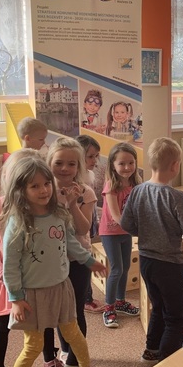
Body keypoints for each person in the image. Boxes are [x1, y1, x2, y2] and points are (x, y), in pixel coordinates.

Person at [0, 154, 107, 367]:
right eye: (34, 186)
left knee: (73, 334)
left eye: (46, 183)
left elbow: (70, 242)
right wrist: (15, 298)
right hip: (32, 296)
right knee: (32, 347)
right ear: (21, 190)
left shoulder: (58, 214)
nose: (44, 190)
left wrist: (89, 261)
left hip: (61, 287)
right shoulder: (18, 222)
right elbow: (9, 265)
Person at [0, 149, 65, 367]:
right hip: (6, 280)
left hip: (36, 278)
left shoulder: (39, 207)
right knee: (2, 325)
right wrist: (0, 272)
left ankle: (49, 359)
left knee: (43, 321)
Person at [120, 137, 183, 363]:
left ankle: (152, 350)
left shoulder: (137, 191)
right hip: (170, 265)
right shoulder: (178, 197)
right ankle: (167, 362)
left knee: (158, 307)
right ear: (175, 166)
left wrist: (144, 231)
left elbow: (126, 224)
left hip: (147, 261)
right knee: (176, 317)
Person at [44, 137, 98, 367]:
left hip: (78, 260)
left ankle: (78, 365)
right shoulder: (43, 190)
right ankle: (69, 354)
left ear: (79, 167)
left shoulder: (86, 192)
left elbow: (83, 228)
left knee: (75, 312)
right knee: (57, 311)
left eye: (71, 164)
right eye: (59, 163)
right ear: (49, 163)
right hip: (50, 261)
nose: (65, 168)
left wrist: (72, 204)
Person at [100, 142, 142, 328]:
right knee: (116, 269)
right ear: (113, 165)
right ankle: (109, 308)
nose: (127, 167)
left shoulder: (136, 185)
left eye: (131, 163)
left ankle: (120, 301)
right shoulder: (111, 186)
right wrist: (136, 229)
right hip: (110, 232)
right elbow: (116, 215)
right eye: (122, 163)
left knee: (125, 268)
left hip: (126, 232)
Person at [76, 134, 104, 313]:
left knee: (87, 250)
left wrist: (96, 220)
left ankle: (87, 296)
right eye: (90, 156)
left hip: (89, 218)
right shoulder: (78, 179)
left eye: (96, 156)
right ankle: (86, 299)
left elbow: (92, 203)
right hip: (79, 225)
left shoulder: (90, 175)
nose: (94, 160)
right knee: (84, 256)